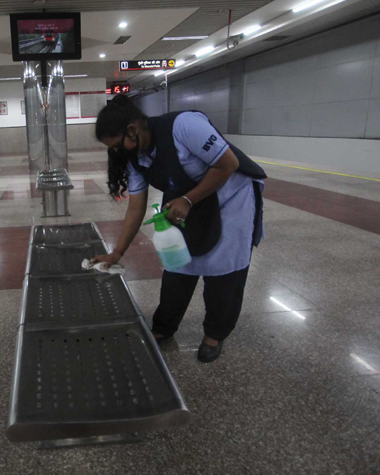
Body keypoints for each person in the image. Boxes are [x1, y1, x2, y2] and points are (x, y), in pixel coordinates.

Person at [91, 95, 266, 363]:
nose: (116, 152)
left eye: (116, 145)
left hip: (231, 197)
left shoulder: (184, 126)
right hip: (188, 199)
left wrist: (188, 200)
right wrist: (117, 252)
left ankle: (215, 334)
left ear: (132, 130)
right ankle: (164, 326)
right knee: (178, 265)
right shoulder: (137, 156)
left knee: (224, 269)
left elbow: (228, 164)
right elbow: (136, 207)